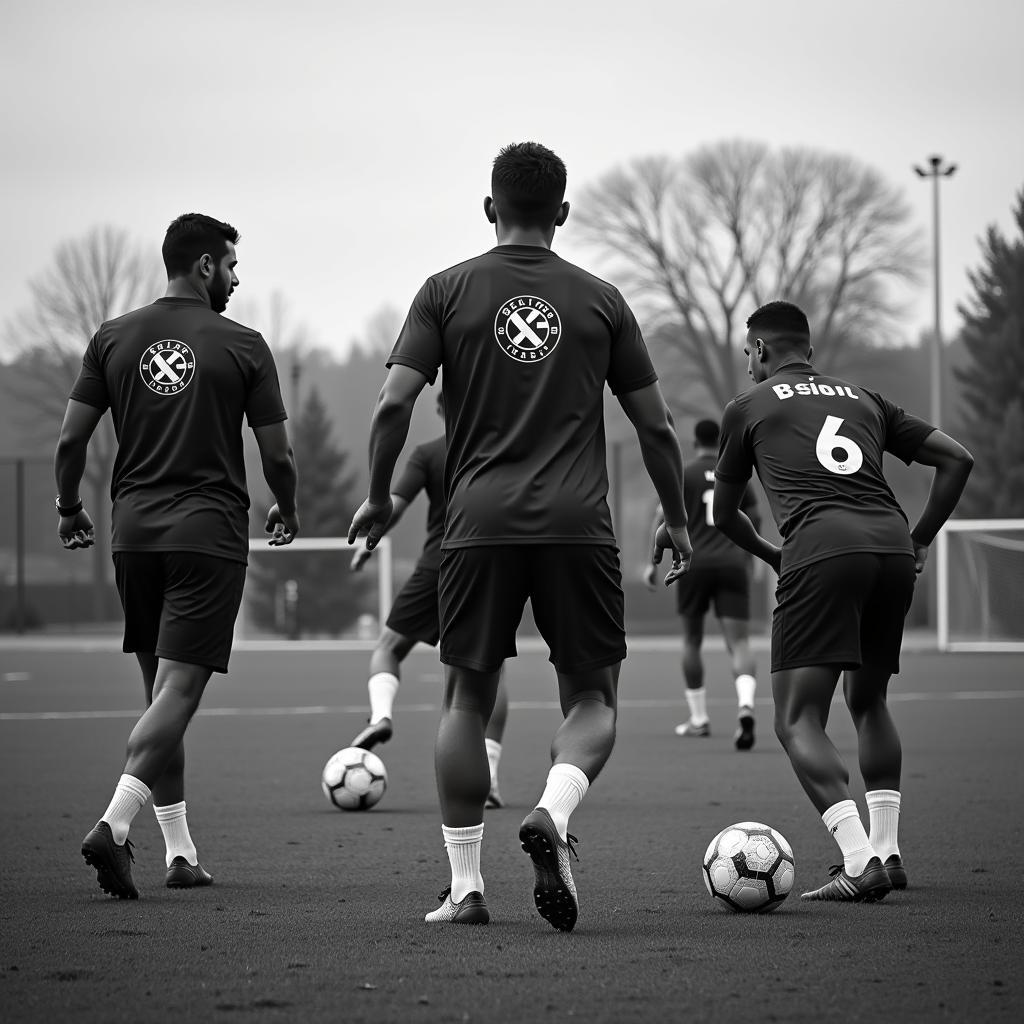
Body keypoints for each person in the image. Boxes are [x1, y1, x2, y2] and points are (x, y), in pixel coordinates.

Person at [349, 141, 691, 930]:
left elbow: (391, 406)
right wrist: (677, 519)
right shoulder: (603, 299)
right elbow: (657, 429)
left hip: (474, 526)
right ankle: (554, 810)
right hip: (578, 526)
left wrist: (376, 497)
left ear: (489, 208)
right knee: (594, 699)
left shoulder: (444, 291)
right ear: (563, 214)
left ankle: (466, 889)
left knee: (465, 699)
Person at [54, 213, 299, 900]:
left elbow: (71, 442)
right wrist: (287, 504)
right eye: (230, 264)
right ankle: (115, 824)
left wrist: (69, 507)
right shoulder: (244, 345)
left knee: (158, 696)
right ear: (202, 266)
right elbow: (277, 452)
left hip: (133, 535)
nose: (236, 277)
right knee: (181, 693)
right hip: (207, 536)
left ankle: (181, 853)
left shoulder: (112, 337)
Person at [712, 300, 973, 902]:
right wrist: (921, 538)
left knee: (797, 717)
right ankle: (888, 851)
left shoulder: (746, 408)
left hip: (821, 551)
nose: (746, 363)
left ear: (760, 350)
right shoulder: (865, 399)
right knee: (869, 699)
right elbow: (957, 459)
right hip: (889, 547)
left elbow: (724, 515)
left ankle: (859, 861)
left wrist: (776, 555)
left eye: (746, 352)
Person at [349, 391, 510, 808]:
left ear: (440, 409)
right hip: (488, 565)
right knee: (492, 671)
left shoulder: (428, 453)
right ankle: (489, 775)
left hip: (437, 564)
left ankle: (381, 714)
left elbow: (393, 505)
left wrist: (371, 541)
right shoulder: (500, 450)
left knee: (388, 648)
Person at [644, 418, 761, 748]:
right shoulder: (734, 472)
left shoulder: (684, 473)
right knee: (738, 643)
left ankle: (699, 718)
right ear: (721, 440)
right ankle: (746, 706)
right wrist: (751, 558)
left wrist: (651, 562)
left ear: (694, 441)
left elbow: (662, 516)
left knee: (692, 641)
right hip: (733, 563)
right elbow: (755, 517)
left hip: (692, 563)